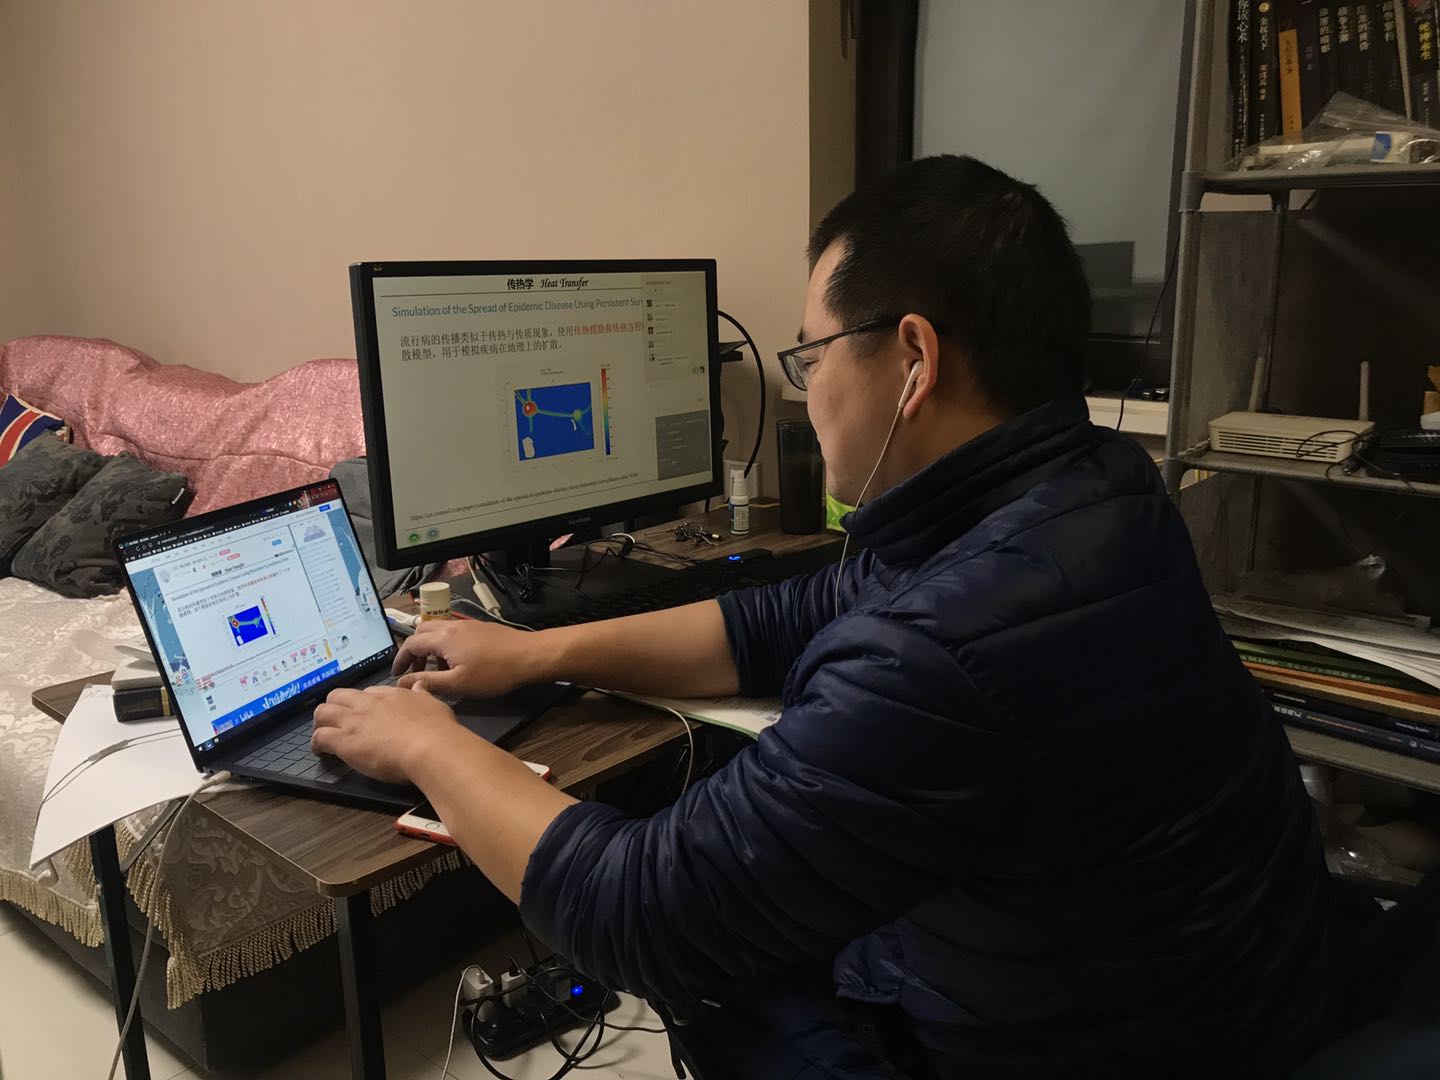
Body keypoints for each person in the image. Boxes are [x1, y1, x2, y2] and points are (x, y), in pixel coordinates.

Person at [312, 155, 1340, 1078]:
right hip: (1228, 995)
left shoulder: (946, 646)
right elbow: (784, 618)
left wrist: (427, 743)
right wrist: (538, 653)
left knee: (709, 970)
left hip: (1091, 1042)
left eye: (813, 358)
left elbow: (639, 912)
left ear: (914, 358)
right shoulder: (1096, 485)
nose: (806, 393)